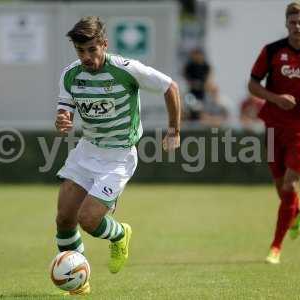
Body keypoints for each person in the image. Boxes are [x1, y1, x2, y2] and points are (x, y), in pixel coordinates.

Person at [54, 16, 181, 295]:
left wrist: (174, 130)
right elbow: (66, 111)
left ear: (104, 45)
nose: (86, 57)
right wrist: (63, 119)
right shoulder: (70, 75)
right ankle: (78, 282)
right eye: (80, 51)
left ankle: (121, 234)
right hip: (87, 151)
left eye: (91, 50)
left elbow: (170, 87)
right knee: (64, 218)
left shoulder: (127, 70)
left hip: (120, 156)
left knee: (89, 220)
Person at [248, 1, 300, 264]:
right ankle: (297, 209)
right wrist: (275, 98)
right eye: (293, 22)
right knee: (281, 187)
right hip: (274, 125)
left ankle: (276, 247)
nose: (298, 26)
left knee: (290, 184)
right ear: (287, 23)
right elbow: (252, 84)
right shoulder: (272, 51)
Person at [183, 48, 228, 126]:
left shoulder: (206, 66)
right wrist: (194, 84)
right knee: (191, 109)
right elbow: (187, 78)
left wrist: (204, 85)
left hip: (203, 93)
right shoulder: (189, 66)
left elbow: (209, 78)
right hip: (192, 93)